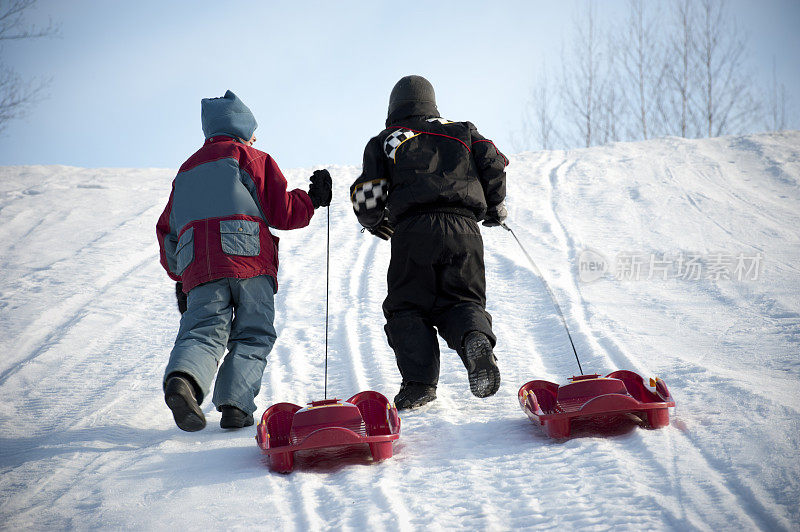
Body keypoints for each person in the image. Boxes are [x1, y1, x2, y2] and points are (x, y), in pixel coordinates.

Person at [156, 90, 332, 431]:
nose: (256, 138)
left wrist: (181, 275)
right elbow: (280, 211)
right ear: (243, 130)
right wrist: (312, 199)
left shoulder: (186, 172)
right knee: (253, 333)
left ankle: (184, 381)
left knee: (203, 330)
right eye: (254, 132)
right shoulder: (248, 157)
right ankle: (236, 406)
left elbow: (168, 229)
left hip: (199, 268)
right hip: (247, 258)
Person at [349, 75, 508, 409]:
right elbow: (493, 161)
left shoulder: (389, 138)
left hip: (414, 231)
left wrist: (375, 221)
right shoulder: (463, 130)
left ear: (393, 108)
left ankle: (419, 385)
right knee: (463, 301)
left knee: (408, 306)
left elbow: (368, 193)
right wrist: (494, 205)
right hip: (465, 229)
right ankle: (474, 339)